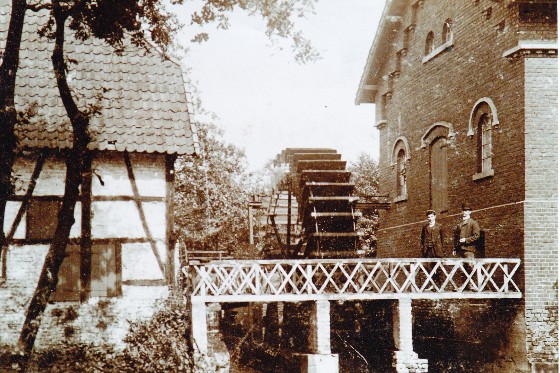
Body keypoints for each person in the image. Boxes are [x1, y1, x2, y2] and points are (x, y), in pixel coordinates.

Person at [453, 205, 481, 290]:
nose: (464, 213)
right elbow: (456, 238)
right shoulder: (459, 225)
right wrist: (454, 248)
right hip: (460, 250)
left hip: (468, 249)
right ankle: (464, 285)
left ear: (470, 212)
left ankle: (472, 285)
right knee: (462, 268)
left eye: (467, 211)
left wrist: (466, 240)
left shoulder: (473, 223)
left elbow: (477, 236)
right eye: (463, 211)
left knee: (470, 266)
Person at [420, 209, 445, 290]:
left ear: (435, 217)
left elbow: (443, 239)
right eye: (428, 217)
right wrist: (423, 249)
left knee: (439, 268)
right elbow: (422, 239)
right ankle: (432, 285)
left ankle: (441, 285)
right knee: (429, 268)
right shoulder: (425, 227)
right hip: (428, 251)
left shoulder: (439, 226)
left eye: (431, 216)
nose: (430, 218)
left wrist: (442, 250)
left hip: (437, 250)